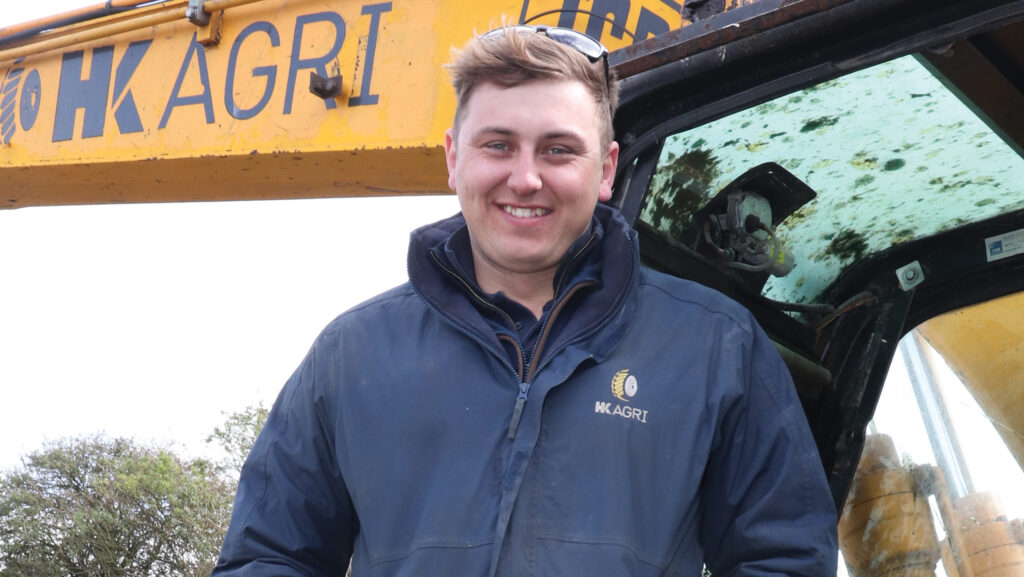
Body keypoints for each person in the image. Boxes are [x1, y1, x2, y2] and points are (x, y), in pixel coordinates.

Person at [213, 25, 838, 577]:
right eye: (498, 145)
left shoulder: (719, 348)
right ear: (453, 158)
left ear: (606, 170)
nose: (526, 178)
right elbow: (270, 556)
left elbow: (783, 558)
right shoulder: (351, 355)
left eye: (558, 150)